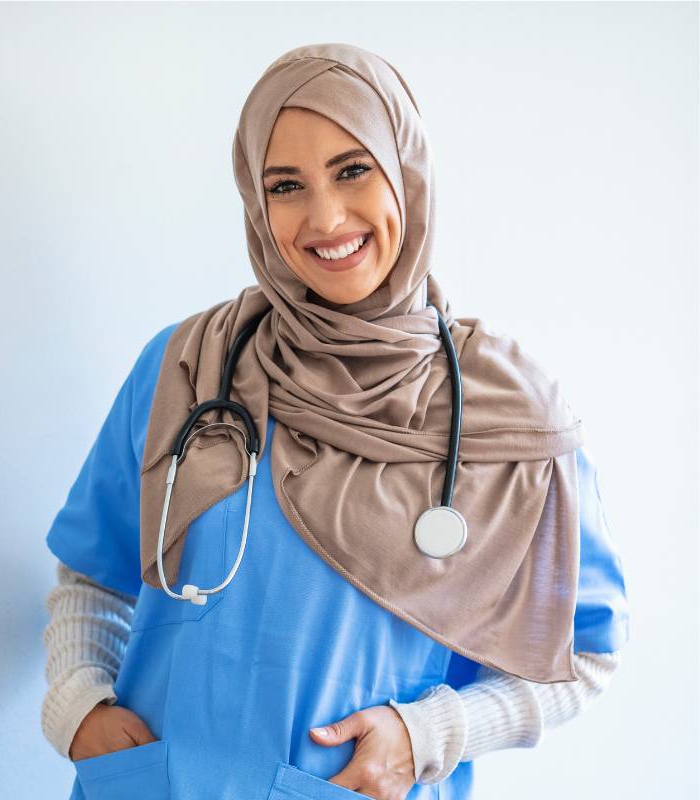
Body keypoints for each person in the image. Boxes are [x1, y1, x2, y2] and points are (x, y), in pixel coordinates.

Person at [39, 43, 630, 800]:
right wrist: (78, 706)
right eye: (285, 185)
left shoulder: (506, 412)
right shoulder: (188, 366)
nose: (324, 217)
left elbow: (585, 654)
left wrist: (429, 736)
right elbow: (92, 574)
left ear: (407, 173)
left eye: (353, 169)